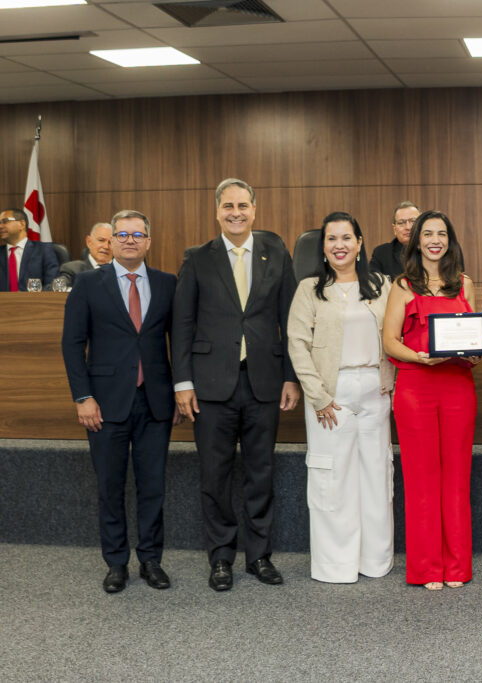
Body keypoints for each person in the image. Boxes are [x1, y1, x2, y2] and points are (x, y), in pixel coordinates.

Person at [171, 177, 300, 592]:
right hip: (210, 386)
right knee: (215, 475)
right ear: (216, 211)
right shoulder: (197, 258)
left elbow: (291, 321)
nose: (236, 213)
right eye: (228, 206)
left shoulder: (275, 252)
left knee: (261, 473)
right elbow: (183, 324)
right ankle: (221, 558)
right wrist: (183, 382)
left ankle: (259, 556)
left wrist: (291, 377)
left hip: (263, 381)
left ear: (255, 210)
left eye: (243, 206)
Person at [61, 210, 177, 593]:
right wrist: (83, 397)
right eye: (122, 234)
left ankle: (150, 560)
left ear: (148, 241)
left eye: (138, 234)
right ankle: (115, 563)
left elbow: (178, 343)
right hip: (104, 405)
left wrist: (179, 391)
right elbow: (73, 344)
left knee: (152, 486)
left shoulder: (167, 284)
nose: (130, 240)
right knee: (110, 487)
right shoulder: (88, 284)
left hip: (155, 403)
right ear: (109, 241)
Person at [287, 211, 395, 584]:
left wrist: (390, 383)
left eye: (347, 238)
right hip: (331, 396)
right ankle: (336, 565)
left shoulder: (383, 285)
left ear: (360, 243)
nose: (339, 245)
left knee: (376, 475)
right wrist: (317, 397)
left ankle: (375, 561)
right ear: (323, 247)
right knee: (332, 480)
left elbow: (397, 336)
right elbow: (297, 345)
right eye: (331, 239)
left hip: (376, 393)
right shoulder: (309, 289)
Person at [382, 210, 480, 590]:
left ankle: (457, 567)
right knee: (421, 479)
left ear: (450, 240)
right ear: (416, 241)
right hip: (416, 385)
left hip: (457, 384)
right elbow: (390, 341)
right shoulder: (403, 286)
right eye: (427, 234)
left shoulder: (465, 285)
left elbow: (472, 334)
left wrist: (473, 353)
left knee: (457, 478)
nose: (434, 240)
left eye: (441, 233)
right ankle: (426, 568)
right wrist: (421, 357)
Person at [1, 207, 59, 291]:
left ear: (22, 224)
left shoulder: (44, 251)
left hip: (35, 302)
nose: (0, 226)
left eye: (5, 221)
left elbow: (52, 285)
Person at [370, 201, 419, 280]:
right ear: (394, 229)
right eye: (401, 223)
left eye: (413, 221)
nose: (408, 227)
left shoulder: (431, 251)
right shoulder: (381, 253)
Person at [57, 222, 113, 288]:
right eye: (101, 240)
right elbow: (55, 290)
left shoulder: (123, 270)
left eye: (111, 242)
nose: (106, 246)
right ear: (89, 242)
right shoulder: (72, 270)